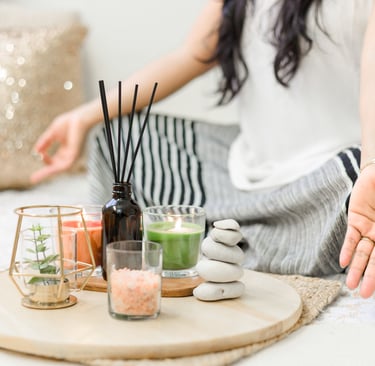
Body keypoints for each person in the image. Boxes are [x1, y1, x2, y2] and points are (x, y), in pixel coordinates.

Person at [31, 0, 375, 298]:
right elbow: (192, 55)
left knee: (356, 176)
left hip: (331, 181)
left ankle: (233, 239)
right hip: (240, 170)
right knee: (118, 134)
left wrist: (371, 167)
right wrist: (84, 117)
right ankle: (251, 240)